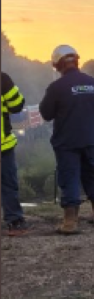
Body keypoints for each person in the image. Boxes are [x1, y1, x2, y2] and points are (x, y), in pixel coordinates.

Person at [39, 45, 94, 234]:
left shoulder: (56, 88)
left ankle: (70, 222)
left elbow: (46, 113)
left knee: (69, 179)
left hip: (67, 143)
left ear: (57, 65)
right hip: (92, 140)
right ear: (76, 61)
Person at [2, 72, 29, 236]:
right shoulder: (2, 79)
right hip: (3, 145)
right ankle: (15, 222)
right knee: (8, 185)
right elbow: (17, 105)